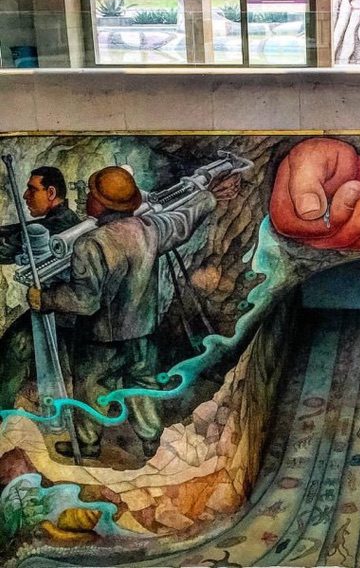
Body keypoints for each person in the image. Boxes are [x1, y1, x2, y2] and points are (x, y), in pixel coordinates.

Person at [27, 165, 238, 461]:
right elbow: (183, 222)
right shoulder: (149, 230)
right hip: (142, 331)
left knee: (92, 387)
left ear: (103, 203)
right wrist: (209, 197)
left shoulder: (90, 244)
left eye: (92, 194)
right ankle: (151, 442)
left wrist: (45, 299)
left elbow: (85, 301)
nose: (87, 198)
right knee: (143, 386)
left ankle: (88, 443)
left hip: (100, 338)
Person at [0, 166, 80, 412]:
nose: (26, 196)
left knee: (13, 349)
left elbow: (12, 244)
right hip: (59, 307)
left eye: (32, 190)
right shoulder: (63, 218)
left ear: (51, 192)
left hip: (61, 312)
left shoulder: (56, 226)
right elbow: (20, 230)